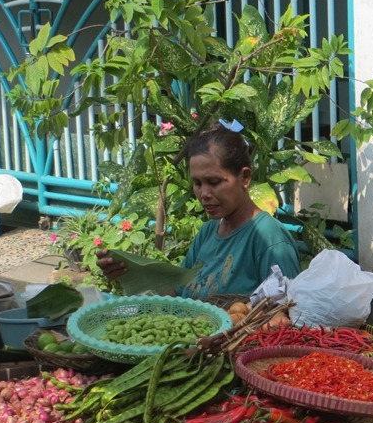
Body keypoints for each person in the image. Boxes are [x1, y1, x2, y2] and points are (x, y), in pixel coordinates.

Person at [97, 123, 301, 298]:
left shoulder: (269, 239)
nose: (204, 193)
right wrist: (130, 272)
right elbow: (179, 293)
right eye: (197, 183)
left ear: (245, 177)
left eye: (214, 182)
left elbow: (286, 313)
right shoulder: (208, 232)